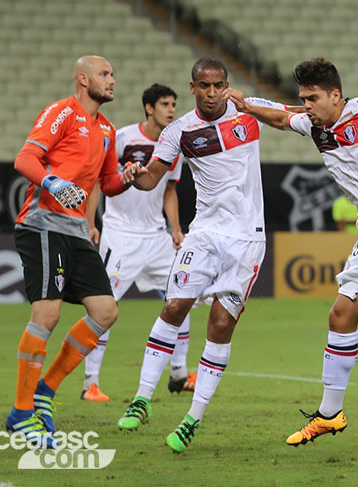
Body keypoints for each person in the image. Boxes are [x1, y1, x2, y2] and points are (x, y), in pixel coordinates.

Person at [224, 58, 358, 446]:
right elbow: (281, 116)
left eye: (312, 98)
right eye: (303, 98)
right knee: (341, 316)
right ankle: (330, 415)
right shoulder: (313, 125)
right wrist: (246, 104)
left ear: (336, 95)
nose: (306, 105)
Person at [116, 57, 287, 453]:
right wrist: (134, 176)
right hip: (204, 234)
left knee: (221, 324)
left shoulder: (247, 112)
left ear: (227, 85)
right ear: (192, 87)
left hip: (247, 240)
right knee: (174, 307)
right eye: (204, 86)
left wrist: (255, 105)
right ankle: (142, 398)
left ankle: (192, 418)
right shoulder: (179, 131)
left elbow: (289, 116)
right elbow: (152, 177)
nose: (212, 93)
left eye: (218, 85)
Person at [7, 55, 131, 448]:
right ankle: (21, 413)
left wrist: (128, 178)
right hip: (43, 224)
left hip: (77, 230)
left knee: (105, 312)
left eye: (112, 74)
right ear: (83, 79)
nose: (112, 80)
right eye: (104, 74)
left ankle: (45, 391)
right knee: (47, 314)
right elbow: (25, 158)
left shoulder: (107, 129)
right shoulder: (61, 112)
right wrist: (53, 182)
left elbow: (108, 184)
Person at [81, 83, 197, 402]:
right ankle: (91, 382)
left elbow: (170, 190)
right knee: (105, 306)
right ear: (149, 108)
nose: (171, 110)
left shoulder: (172, 145)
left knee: (181, 297)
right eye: (165, 104)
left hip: (157, 236)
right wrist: (91, 223)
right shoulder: (123, 138)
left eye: (173, 104)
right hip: (121, 235)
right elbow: (98, 182)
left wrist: (176, 229)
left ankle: (179, 373)